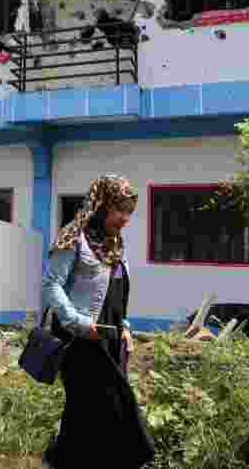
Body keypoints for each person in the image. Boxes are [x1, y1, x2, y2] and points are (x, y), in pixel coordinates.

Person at [40, 175, 154, 469]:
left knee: (95, 412)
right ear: (102, 205)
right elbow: (51, 285)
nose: (125, 218)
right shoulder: (73, 236)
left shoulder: (115, 242)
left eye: (130, 211)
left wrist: (125, 326)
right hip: (81, 338)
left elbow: (117, 294)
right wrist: (77, 322)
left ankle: (64, 460)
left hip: (111, 339)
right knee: (104, 406)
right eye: (120, 210)